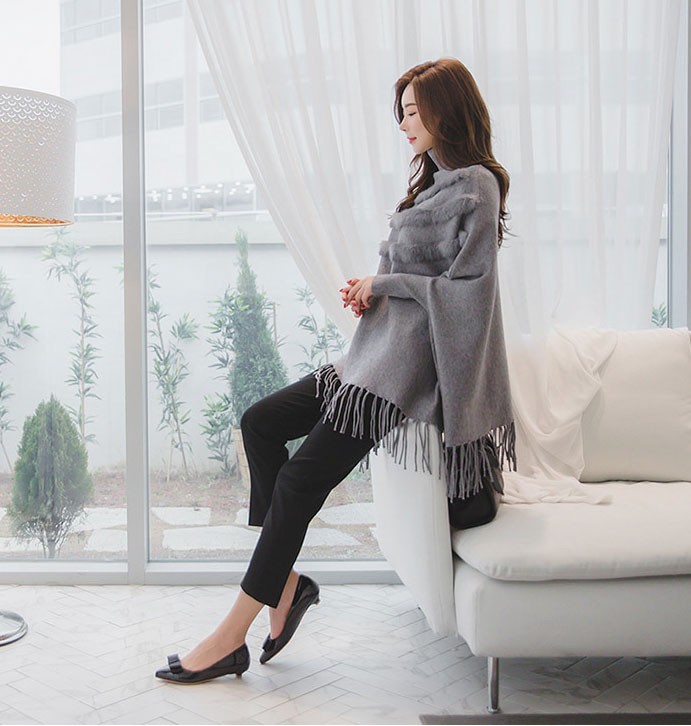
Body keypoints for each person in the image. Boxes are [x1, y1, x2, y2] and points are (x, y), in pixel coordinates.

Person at [155, 57, 516, 685]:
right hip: (368, 357)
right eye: (401, 112)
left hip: (402, 377)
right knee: (260, 423)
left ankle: (230, 637)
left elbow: (467, 297)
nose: (403, 123)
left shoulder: (477, 187)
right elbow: (419, 279)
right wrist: (372, 290)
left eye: (413, 111)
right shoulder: (433, 185)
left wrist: (385, 284)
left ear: (445, 110)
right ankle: (286, 585)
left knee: (299, 482)